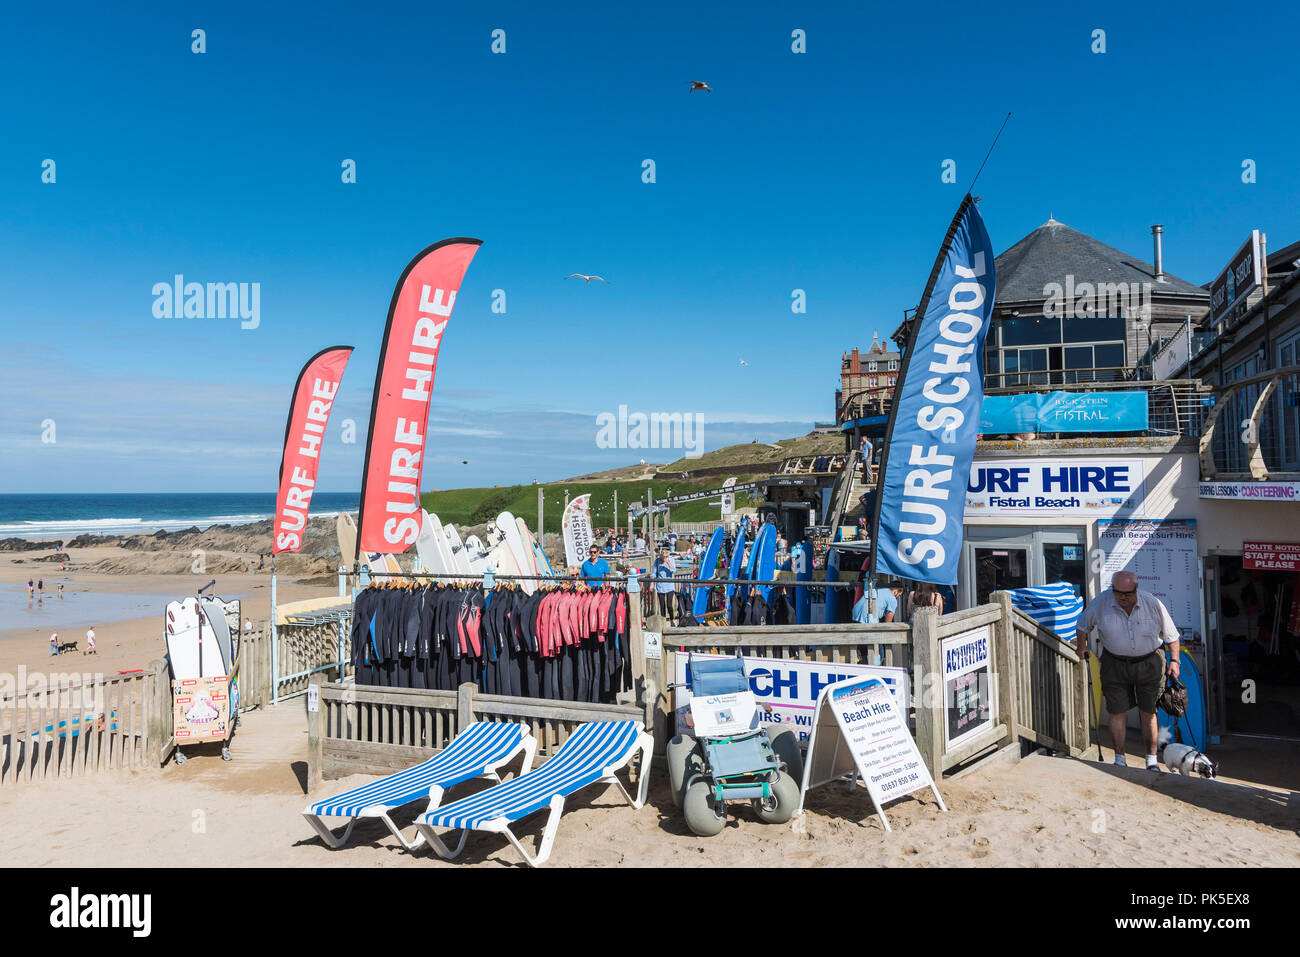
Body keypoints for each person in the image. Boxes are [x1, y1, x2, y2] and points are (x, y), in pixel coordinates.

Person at [1075, 570, 1180, 771]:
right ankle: (1120, 759)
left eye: (1128, 594)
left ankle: (1151, 760)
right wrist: (1082, 646)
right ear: (1113, 590)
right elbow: (1082, 625)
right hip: (1114, 663)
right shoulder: (1101, 602)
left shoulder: (1152, 603)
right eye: (1118, 593)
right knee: (1116, 711)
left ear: (1136, 589)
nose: (1123, 598)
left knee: (1148, 711)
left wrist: (1175, 661)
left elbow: (1172, 636)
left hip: (1149, 662)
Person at [653, 548, 677, 620]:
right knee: (662, 605)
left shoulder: (671, 560)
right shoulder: (657, 561)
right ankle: (663, 620)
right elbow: (654, 573)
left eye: (666, 557)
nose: (665, 558)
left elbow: (673, 571)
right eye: (664, 557)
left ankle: (672, 619)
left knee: (669, 605)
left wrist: (668, 563)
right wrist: (652, 583)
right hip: (660, 585)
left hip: (669, 585)